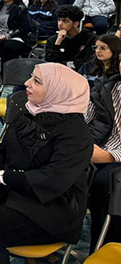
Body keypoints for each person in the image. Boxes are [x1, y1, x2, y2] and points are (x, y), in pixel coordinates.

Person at [0, 63, 93, 264]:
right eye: (31, 77)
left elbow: (54, 180)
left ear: (57, 90)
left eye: (36, 81)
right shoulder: (30, 112)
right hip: (15, 191)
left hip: (52, 209)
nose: (27, 83)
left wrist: (2, 177)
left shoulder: (76, 133)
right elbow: (3, 149)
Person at [85, 57, 121, 249]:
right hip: (100, 146)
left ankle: (106, 248)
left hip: (114, 156)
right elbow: (87, 116)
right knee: (61, 167)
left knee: (105, 184)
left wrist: (108, 156)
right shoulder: (107, 86)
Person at [0, 0, 35, 64]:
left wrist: (7, 36)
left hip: (17, 36)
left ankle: (7, 70)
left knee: (7, 46)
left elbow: (25, 28)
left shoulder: (20, 9)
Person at [45, 5, 97, 70]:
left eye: (65, 21)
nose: (60, 24)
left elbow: (88, 62)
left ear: (75, 24)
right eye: (59, 20)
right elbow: (49, 63)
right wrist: (57, 43)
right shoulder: (53, 40)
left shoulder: (90, 39)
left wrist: (65, 64)